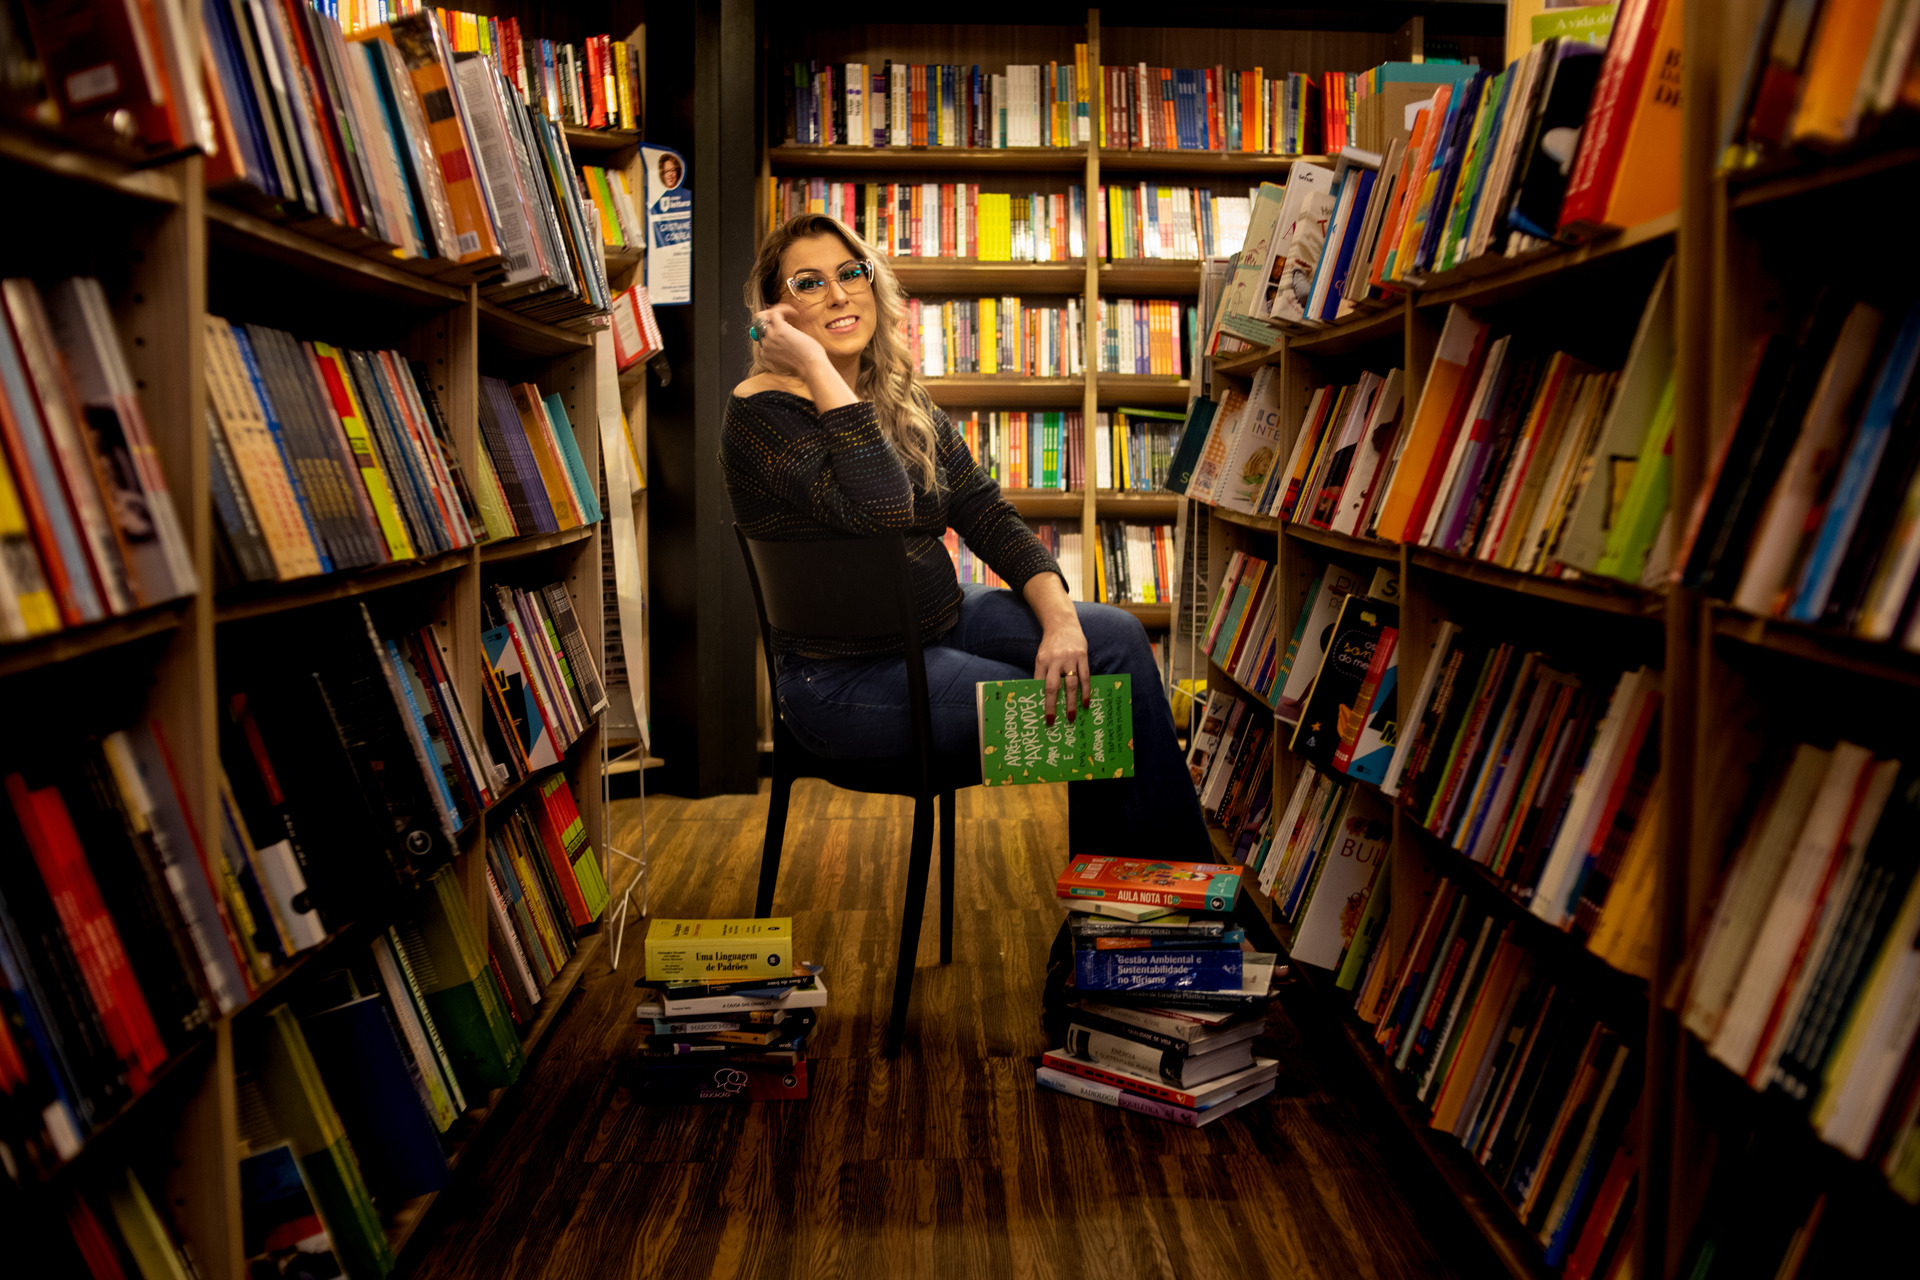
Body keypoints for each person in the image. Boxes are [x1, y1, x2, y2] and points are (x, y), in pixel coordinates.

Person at [721, 213, 1208, 858]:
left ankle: (1162, 901)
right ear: (775, 313)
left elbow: (983, 509)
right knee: (1089, 711)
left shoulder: (897, 396)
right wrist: (814, 363)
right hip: (838, 684)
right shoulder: (760, 415)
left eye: (850, 274)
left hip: (939, 625)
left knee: (1111, 638)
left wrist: (1061, 620)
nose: (838, 295)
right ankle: (1134, 906)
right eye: (809, 283)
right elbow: (885, 506)